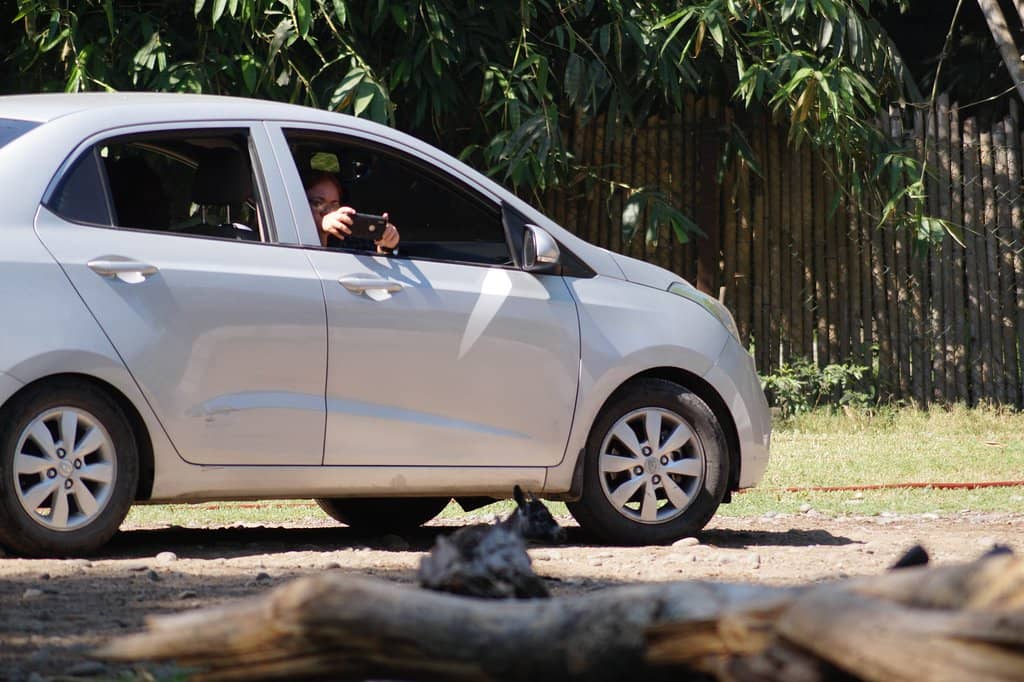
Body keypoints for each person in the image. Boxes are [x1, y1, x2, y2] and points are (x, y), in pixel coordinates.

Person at [303, 171, 400, 253]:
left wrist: (387, 243)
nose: (328, 211)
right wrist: (321, 231)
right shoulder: (292, 236)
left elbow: (378, 266)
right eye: (317, 203)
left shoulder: (348, 235)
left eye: (334, 204)